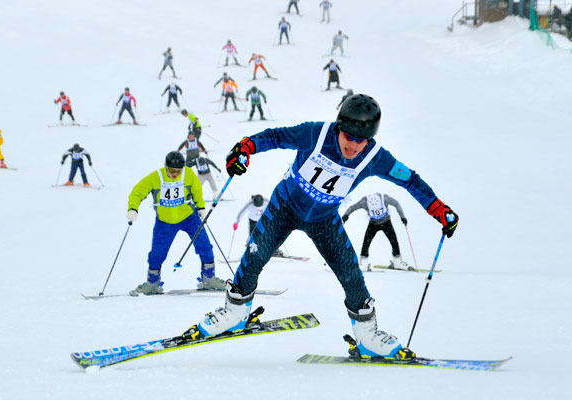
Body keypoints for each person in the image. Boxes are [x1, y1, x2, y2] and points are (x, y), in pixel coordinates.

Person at [186, 94, 459, 360]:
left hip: (324, 220)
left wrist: (438, 209)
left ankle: (367, 337)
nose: (353, 146)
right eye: (348, 137)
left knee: (351, 276)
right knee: (255, 256)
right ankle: (235, 314)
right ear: (339, 127)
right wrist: (245, 149)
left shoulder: (375, 157)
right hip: (284, 207)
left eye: (361, 140)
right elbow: (275, 136)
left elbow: (409, 180)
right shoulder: (315, 134)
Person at [126, 151, 227, 295]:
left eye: (178, 171)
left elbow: (197, 189)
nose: (175, 174)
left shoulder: (188, 174)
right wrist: (133, 208)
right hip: (165, 222)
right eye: (172, 170)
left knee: (204, 245)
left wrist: (201, 207)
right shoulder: (156, 177)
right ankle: (152, 283)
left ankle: (209, 278)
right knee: (157, 253)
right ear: (166, 167)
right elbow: (137, 191)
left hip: (189, 218)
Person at [342, 192, 411, 271]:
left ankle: (397, 263)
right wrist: (346, 215)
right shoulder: (364, 201)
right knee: (366, 242)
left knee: (394, 241)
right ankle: (364, 264)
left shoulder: (384, 198)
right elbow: (352, 208)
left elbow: (396, 204)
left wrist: (402, 217)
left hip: (386, 223)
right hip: (373, 224)